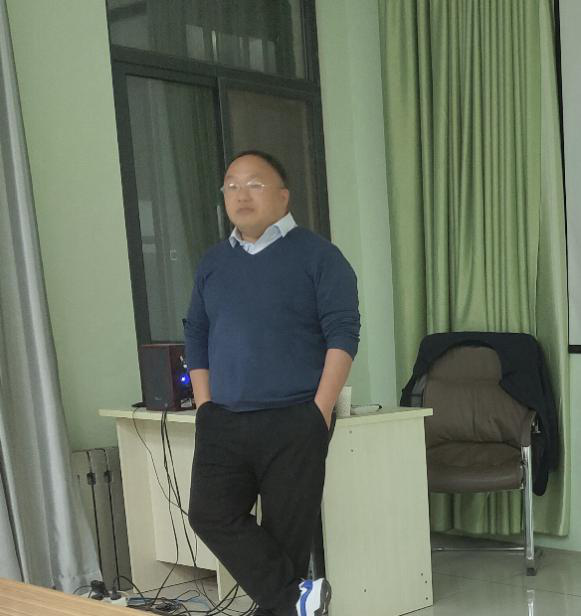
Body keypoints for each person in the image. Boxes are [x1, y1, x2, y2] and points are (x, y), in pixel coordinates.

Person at [184, 150, 360, 616]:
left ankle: (292, 601)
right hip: (223, 420)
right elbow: (196, 332)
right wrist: (204, 406)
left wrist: (319, 411)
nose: (240, 194)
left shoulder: (319, 256)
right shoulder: (213, 262)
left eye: (254, 184)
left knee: (285, 540)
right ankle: (300, 599)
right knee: (209, 514)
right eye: (231, 185)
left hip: (295, 418)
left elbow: (343, 333)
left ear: (283, 196)